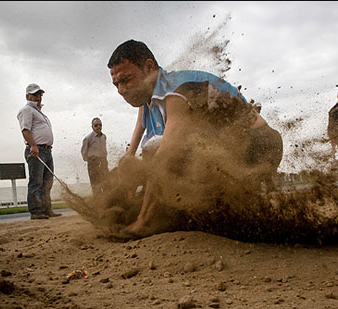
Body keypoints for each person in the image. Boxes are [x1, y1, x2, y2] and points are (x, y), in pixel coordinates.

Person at [107, 39, 283, 237]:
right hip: (226, 147)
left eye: (126, 80)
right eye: (116, 84)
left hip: (259, 145)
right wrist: (128, 157)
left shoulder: (177, 91)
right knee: (150, 153)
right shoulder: (148, 93)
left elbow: (166, 158)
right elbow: (140, 124)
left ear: (148, 67)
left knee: (166, 156)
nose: (121, 90)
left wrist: (143, 221)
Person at [17, 83, 62, 220]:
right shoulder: (27, 110)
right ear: (27, 96)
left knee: (47, 181)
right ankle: (36, 211)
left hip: (47, 150)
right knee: (36, 182)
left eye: (40, 95)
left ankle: (46, 209)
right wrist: (33, 146)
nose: (38, 97)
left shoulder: (39, 112)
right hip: (37, 150)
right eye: (35, 94)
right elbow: (25, 130)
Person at [81, 117, 109, 196]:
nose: (98, 127)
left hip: (103, 162)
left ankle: (107, 204)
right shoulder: (88, 138)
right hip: (93, 163)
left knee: (106, 184)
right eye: (96, 125)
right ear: (92, 126)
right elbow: (83, 152)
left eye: (100, 125)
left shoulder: (104, 137)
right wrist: (91, 160)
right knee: (96, 186)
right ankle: (98, 205)